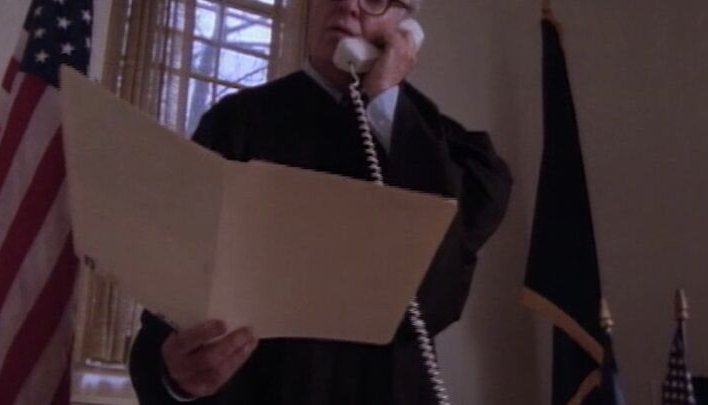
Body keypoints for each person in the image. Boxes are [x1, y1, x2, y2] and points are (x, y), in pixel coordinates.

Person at [128, 0, 512, 403]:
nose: (346, 5)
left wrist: (383, 99)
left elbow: (451, 257)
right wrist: (175, 378)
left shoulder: (433, 138)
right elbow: (170, 308)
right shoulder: (234, 124)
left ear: (404, 26)